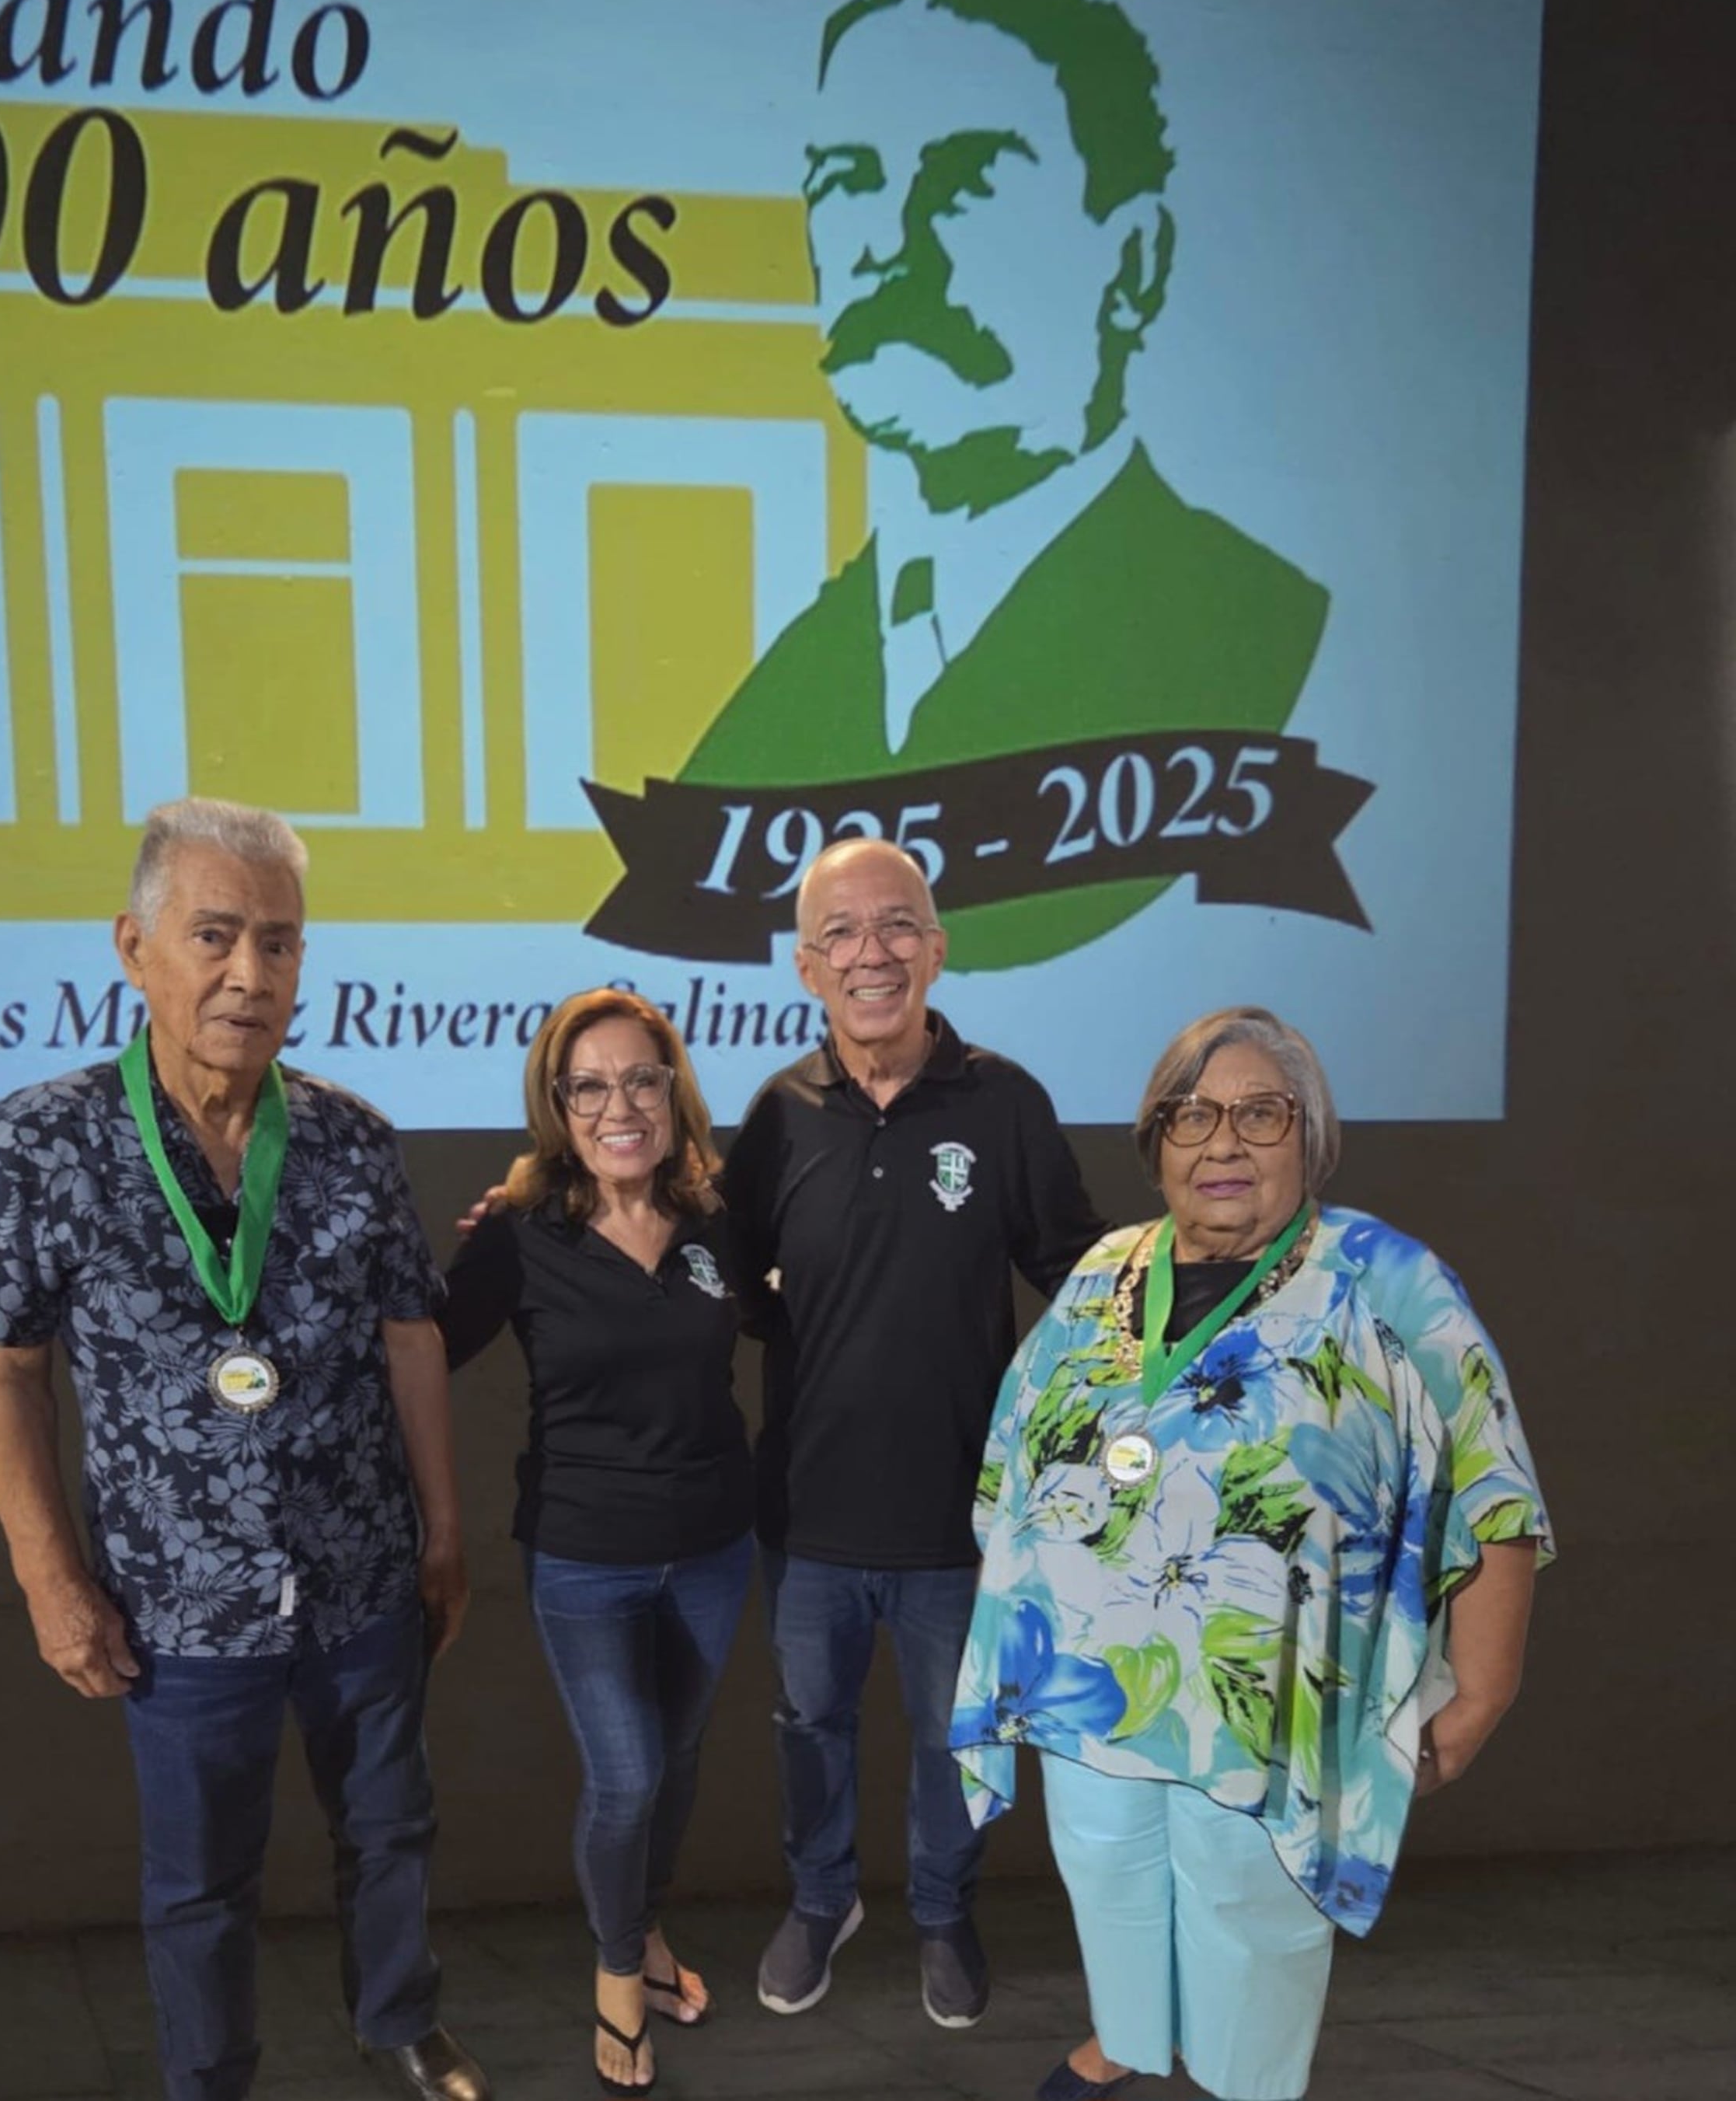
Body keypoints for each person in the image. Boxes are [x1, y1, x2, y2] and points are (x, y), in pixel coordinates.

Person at [0, 797, 487, 2101]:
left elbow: (412, 1336)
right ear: (137, 947)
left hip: (360, 1570)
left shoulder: (350, 1135)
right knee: (201, 1881)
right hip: (176, 1606)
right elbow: (1, 1364)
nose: (252, 974)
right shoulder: (44, 1140)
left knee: (391, 1827)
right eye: (217, 936)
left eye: (282, 944)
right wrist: (47, 1578)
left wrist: (443, 1531)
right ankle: (210, 2076)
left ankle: (401, 2017)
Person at [676, 0, 1328, 969]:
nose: (884, 240)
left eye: (966, 177)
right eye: (847, 181)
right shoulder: (781, 693)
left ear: (1135, 260)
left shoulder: (1255, 623)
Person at [953, 1006, 1553, 2101]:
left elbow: (1493, 1482)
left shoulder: (1383, 1276)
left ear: (1310, 1136)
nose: (1221, 1143)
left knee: (1248, 1941)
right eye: (1192, 1116)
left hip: (1271, 1709)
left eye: (1259, 1114)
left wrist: (1484, 1692)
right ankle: (1124, 2051)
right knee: (1115, 1901)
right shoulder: (1100, 1275)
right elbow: (1010, 1463)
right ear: (1156, 1141)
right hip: (1093, 1703)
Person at [720, 836, 1107, 2026]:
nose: (869, 953)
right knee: (808, 1725)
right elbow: (721, 1281)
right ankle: (821, 1898)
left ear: (935, 951)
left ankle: (944, 1914)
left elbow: (1082, 1282)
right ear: (804, 966)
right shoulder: (777, 1118)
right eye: (839, 933)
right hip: (809, 1509)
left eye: (895, 927)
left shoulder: (1005, 1102)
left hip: (959, 1514)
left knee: (955, 1746)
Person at [440, 990, 753, 2096]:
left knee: (676, 1769)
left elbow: (803, 1308)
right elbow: (417, 1353)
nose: (619, 1102)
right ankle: (622, 1975)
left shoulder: (720, 1218)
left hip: (715, 1544)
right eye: (591, 1085)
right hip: (585, 1555)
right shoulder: (523, 1237)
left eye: (641, 1077)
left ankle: (648, 1931)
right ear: (558, 1107)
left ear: (673, 1091)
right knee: (624, 1778)